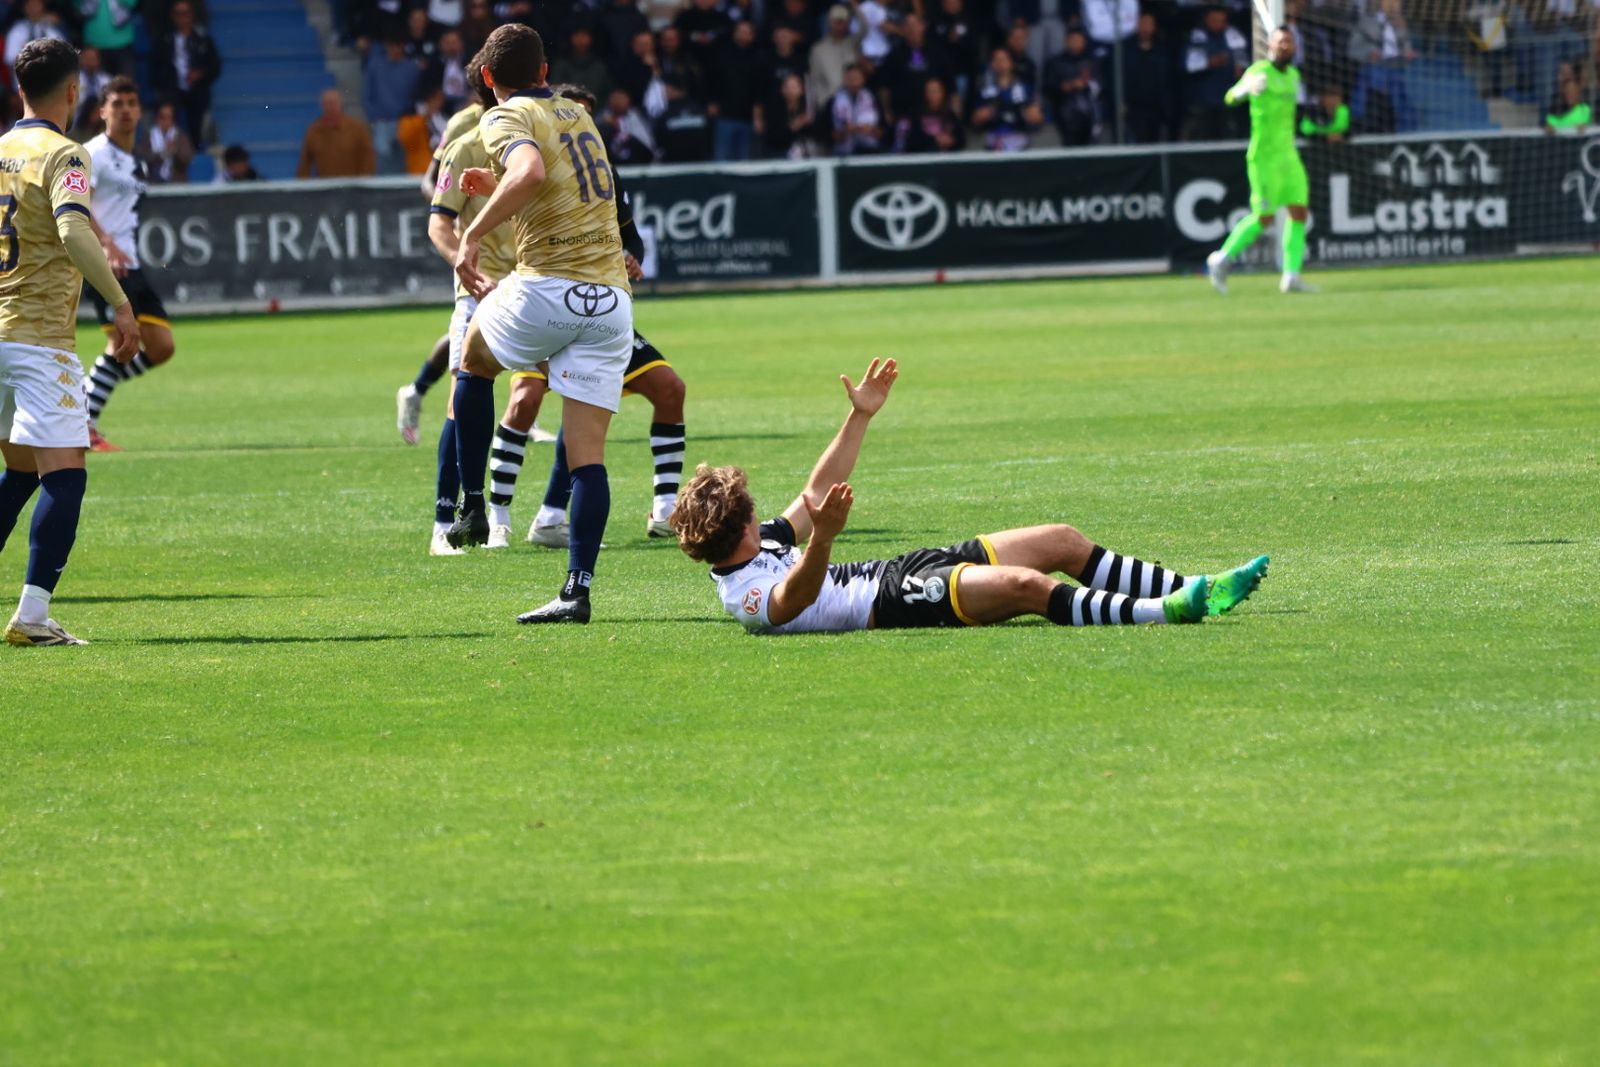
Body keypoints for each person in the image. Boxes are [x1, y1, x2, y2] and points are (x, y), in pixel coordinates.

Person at [670, 359, 1270, 636]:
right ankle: (1170, 612)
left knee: (1061, 540)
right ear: (739, 521)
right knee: (1027, 589)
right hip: (890, 602)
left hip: (896, 569)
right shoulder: (741, 595)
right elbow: (793, 598)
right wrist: (822, 539)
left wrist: (860, 418)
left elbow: (816, 491)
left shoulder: (760, 542)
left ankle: (1195, 587)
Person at [450, 24, 635, 624]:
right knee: (588, 458)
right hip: (610, 301)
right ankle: (576, 590)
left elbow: (528, 172)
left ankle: (473, 503)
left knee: (473, 359)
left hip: (547, 285)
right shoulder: (580, 115)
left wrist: (471, 234)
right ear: (544, 66)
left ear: (486, 77)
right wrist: (500, 187)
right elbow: (548, 182)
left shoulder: (502, 116)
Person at [497, 84, 689, 548]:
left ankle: (663, 508)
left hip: (598, 307)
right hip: (544, 306)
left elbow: (631, 234)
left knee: (669, 387)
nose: (581, 129)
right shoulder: (533, 172)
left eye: (587, 120)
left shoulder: (603, 175)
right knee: (527, 400)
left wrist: (633, 257)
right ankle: (495, 513)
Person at [0, 38, 140, 645]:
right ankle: (32, 617)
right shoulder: (67, 154)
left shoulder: (2, 149)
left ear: (19, 88)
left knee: (21, 469)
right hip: (38, 342)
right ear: (75, 91)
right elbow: (73, 229)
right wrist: (119, 300)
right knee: (66, 471)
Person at [422, 66, 519, 555]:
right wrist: (467, 265)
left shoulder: (540, 138)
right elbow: (438, 223)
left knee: (566, 392)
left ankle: (532, 517)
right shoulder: (464, 145)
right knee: (462, 395)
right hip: (479, 292)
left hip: (533, 287)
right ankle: (444, 522)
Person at [81, 78, 180, 452]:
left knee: (161, 347)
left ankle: (88, 395)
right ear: (102, 111)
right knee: (123, 342)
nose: (125, 109)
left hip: (131, 263)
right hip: (104, 263)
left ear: (140, 111)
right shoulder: (93, 154)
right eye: (117, 103)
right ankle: (84, 422)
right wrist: (104, 244)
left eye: (132, 103)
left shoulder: (135, 161)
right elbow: (78, 203)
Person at [1205, 29, 1315, 296]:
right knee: (1264, 218)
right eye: (1280, 42)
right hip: (1263, 157)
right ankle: (1222, 259)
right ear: (1271, 46)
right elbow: (1230, 96)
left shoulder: (1293, 76)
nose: (1285, 46)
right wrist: (1246, 89)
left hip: (1288, 155)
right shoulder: (1259, 71)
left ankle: (1291, 275)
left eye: (1289, 42)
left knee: (1298, 211)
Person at [150, 0, 222, 147]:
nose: (181, 18)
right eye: (177, 14)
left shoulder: (203, 40)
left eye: (185, 14)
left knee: (197, 120)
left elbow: (215, 67)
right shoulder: (164, 40)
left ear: (192, 15)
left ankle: (196, 149)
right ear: (172, 16)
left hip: (196, 90)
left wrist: (200, 74)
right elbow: (155, 67)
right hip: (172, 89)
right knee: (167, 111)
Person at [1184, 6, 1249, 141]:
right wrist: (1210, 63)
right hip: (1203, 101)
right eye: (1214, 20)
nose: (1218, 24)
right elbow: (1189, 65)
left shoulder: (1233, 35)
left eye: (1221, 21)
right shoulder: (1197, 36)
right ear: (1206, 20)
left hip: (1228, 100)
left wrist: (1240, 68)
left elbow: (1244, 61)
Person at [970, 47, 1042, 152]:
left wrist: (1035, 116)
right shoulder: (984, 91)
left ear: (1011, 63)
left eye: (1004, 60)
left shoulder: (1024, 89)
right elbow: (975, 123)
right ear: (992, 64)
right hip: (994, 146)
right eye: (997, 60)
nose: (1000, 64)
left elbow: (1037, 121)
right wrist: (978, 118)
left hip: (1020, 145)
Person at [297, 89, 377, 177]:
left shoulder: (357, 128)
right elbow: (305, 161)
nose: (330, 107)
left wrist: (364, 181)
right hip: (325, 185)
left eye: (333, 103)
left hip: (353, 185)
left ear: (340, 104)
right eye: (326, 103)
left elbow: (368, 157)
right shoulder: (313, 130)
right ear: (321, 106)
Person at [1043, 28, 1099, 146]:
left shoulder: (1092, 62)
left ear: (1084, 42)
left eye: (1079, 40)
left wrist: (1085, 85)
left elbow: (1101, 86)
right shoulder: (1056, 62)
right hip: (1065, 112)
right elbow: (1048, 88)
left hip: (1090, 112)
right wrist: (1066, 86)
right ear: (1066, 41)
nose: (1075, 43)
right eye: (1072, 40)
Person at [830, 62, 882, 155]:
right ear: (844, 80)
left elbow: (884, 132)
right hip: (843, 154)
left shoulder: (873, 98)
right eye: (850, 78)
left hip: (871, 152)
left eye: (856, 78)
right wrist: (845, 131)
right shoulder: (833, 101)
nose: (853, 81)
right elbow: (827, 135)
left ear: (863, 79)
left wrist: (871, 130)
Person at [139, 100, 195, 184]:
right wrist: (162, 154)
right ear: (156, 118)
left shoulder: (180, 137)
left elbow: (187, 158)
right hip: (153, 184)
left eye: (169, 117)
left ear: (173, 119)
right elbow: (143, 159)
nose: (166, 121)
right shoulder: (148, 136)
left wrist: (175, 151)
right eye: (162, 117)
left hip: (177, 184)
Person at [5, 0, 70, 69]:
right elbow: (9, 58)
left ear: (43, 6)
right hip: (24, 74)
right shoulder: (17, 30)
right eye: (30, 5)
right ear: (25, 8)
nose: (34, 8)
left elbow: (64, 55)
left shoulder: (51, 29)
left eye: (37, 4)